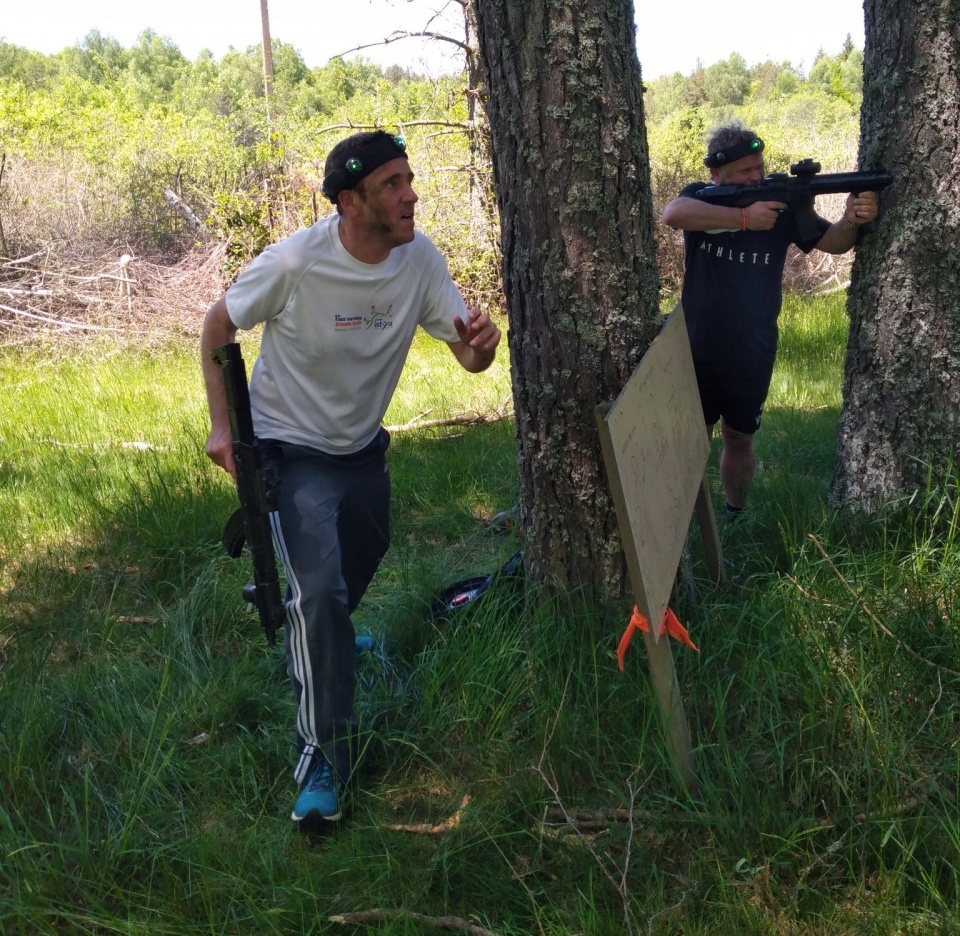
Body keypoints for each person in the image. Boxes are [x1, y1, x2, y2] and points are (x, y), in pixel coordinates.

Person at [201, 130, 501, 826]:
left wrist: (482, 349)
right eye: (393, 184)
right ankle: (320, 757)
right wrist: (223, 429)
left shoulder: (418, 258)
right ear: (350, 200)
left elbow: (466, 354)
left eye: (410, 179)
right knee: (318, 590)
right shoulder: (299, 261)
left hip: (361, 451)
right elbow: (219, 322)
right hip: (289, 449)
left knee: (359, 563)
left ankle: (322, 641)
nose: (410, 194)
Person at [662, 123, 879, 513]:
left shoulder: (781, 204)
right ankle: (680, 521)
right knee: (692, 437)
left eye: (759, 167)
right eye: (745, 171)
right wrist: (745, 220)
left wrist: (853, 219)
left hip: (753, 348)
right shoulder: (700, 197)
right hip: (697, 345)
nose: (756, 177)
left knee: (740, 437)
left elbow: (834, 243)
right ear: (717, 174)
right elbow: (673, 214)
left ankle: (734, 513)